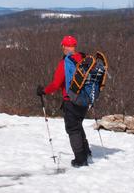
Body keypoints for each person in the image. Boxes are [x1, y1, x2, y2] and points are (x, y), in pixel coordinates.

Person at [37, 35, 91, 167]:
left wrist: (43, 91)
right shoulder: (84, 59)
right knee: (78, 125)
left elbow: (56, 84)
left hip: (71, 101)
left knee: (73, 129)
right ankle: (86, 151)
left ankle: (80, 160)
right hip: (84, 100)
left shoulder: (65, 63)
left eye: (63, 46)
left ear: (65, 47)